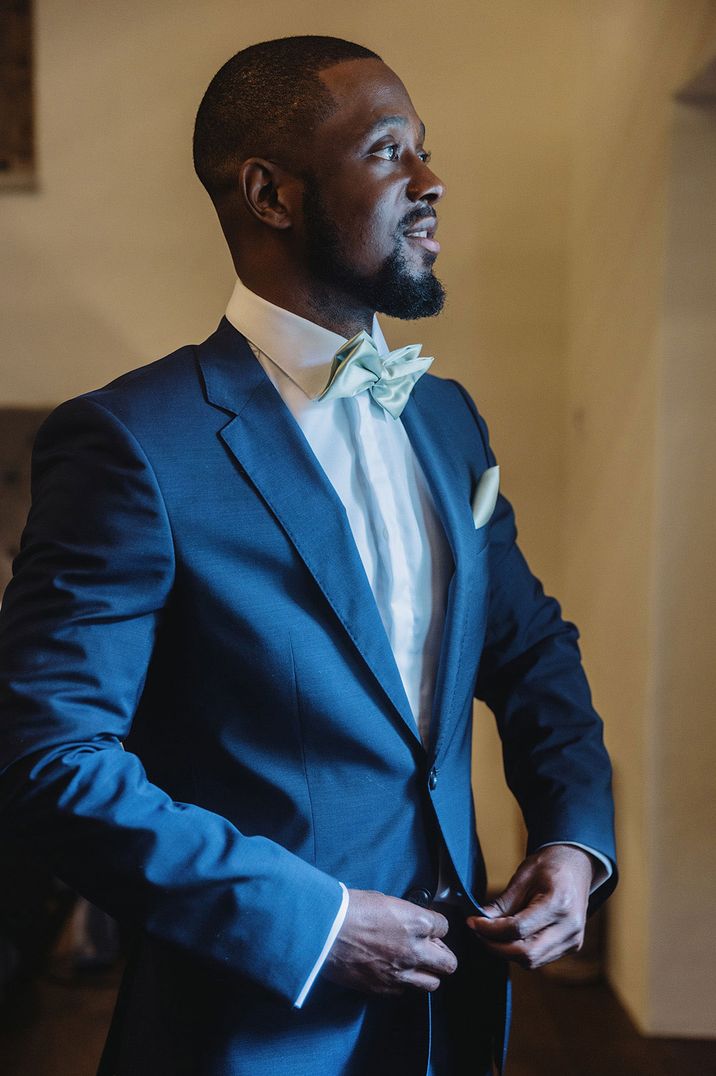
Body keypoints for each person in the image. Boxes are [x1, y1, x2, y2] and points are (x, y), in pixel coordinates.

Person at [0, 35, 616, 1076]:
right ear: (270, 195)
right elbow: (48, 757)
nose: (430, 180)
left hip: (455, 1010)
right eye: (388, 151)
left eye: (423, 149)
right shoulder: (133, 442)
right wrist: (312, 920)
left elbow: (528, 650)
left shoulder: (446, 419)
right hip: (250, 1023)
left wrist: (571, 838)